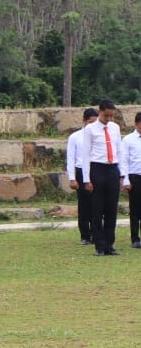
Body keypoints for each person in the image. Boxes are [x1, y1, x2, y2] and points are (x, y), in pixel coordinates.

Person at [80, 99, 125, 256]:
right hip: (97, 168)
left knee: (112, 209)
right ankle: (99, 245)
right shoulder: (90, 129)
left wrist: (122, 175)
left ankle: (109, 245)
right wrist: (86, 179)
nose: (109, 119)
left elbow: (119, 152)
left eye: (111, 116)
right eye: (106, 115)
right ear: (100, 112)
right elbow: (85, 155)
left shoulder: (115, 128)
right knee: (97, 210)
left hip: (113, 169)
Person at [66, 108, 99, 245]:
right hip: (81, 171)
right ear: (84, 121)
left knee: (97, 204)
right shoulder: (75, 137)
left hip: (96, 169)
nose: (93, 125)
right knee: (84, 204)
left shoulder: (98, 135)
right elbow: (70, 159)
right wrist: (72, 178)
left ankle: (95, 233)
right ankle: (85, 235)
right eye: (91, 122)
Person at [123, 112, 141, 249]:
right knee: (135, 209)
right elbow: (124, 161)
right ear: (136, 124)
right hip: (135, 177)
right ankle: (135, 238)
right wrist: (126, 180)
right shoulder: (128, 140)